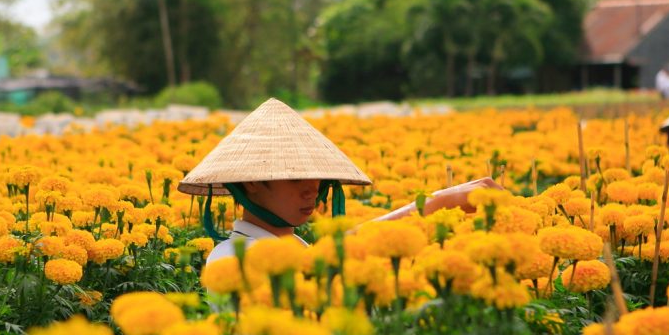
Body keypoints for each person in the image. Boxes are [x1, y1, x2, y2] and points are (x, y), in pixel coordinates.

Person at [177, 98, 500, 263]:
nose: (312, 189)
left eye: (317, 176)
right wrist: (436, 203)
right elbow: (317, 267)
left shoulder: (296, 247)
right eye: (296, 177)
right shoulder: (230, 257)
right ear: (251, 183)